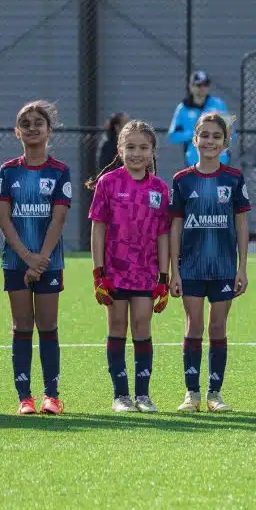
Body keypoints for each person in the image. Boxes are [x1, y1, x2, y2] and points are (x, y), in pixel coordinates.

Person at [87, 120, 172, 414]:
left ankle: (143, 395)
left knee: (142, 327)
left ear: (152, 152)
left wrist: (164, 276)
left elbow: (163, 234)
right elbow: (98, 229)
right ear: (120, 149)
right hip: (114, 271)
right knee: (117, 327)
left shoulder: (160, 188)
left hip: (147, 273)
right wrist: (98, 272)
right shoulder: (108, 183)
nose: (137, 153)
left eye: (143, 147)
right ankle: (120, 395)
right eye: (131, 147)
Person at [0, 101, 72, 416]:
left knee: (48, 326)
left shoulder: (59, 171)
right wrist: (26, 257)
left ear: (49, 130)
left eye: (38, 122)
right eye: (25, 123)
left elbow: (59, 219)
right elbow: (3, 218)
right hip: (16, 262)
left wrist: (41, 259)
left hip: (49, 262)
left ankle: (51, 396)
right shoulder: (8, 170)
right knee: (22, 325)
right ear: (17, 132)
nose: (32, 128)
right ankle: (24, 397)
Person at [170, 113, 250, 413]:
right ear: (195, 139)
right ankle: (191, 394)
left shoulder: (233, 178)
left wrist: (242, 268)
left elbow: (241, 225)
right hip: (190, 267)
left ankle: (214, 394)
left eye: (216, 136)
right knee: (194, 326)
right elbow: (174, 227)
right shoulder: (182, 180)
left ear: (225, 142)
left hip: (224, 268)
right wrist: (173, 270)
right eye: (204, 135)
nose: (210, 141)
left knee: (218, 326)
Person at [169, 71, 230, 167]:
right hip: (194, 162)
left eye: (205, 85)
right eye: (199, 85)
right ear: (191, 86)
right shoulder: (183, 108)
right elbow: (173, 136)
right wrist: (194, 134)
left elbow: (230, 131)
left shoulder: (218, 105)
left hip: (219, 161)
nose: (202, 88)